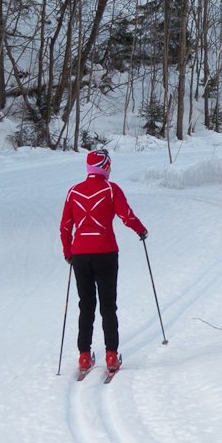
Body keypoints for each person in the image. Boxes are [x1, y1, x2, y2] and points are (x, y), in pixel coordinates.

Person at [59, 147, 147, 375]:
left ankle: (84, 356)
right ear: (105, 167)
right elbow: (126, 215)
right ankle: (111, 355)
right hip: (106, 252)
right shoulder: (110, 189)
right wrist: (141, 230)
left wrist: (68, 251)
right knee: (108, 305)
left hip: (80, 254)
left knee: (85, 304)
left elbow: (65, 226)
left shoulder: (73, 191)